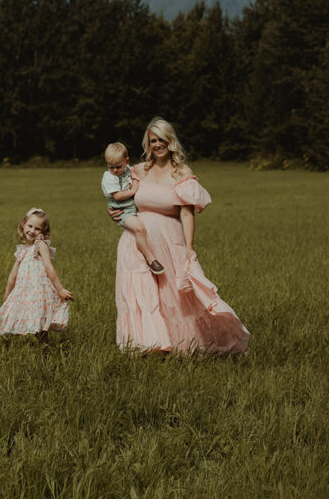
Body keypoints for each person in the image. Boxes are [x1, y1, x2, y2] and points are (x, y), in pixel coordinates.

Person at [109, 117, 250, 354]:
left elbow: (187, 214)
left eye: (162, 139)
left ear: (170, 140)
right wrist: (112, 210)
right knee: (140, 292)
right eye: (153, 140)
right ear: (148, 143)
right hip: (135, 241)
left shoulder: (182, 173)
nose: (158, 144)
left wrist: (189, 247)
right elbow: (119, 199)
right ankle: (147, 345)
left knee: (172, 295)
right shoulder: (138, 171)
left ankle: (177, 344)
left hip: (168, 241)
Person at [0, 207, 73, 343]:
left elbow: (49, 267)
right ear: (23, 225)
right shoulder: (22, 251)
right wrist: (7, 293)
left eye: (37, 229)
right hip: (24, 291)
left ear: (43, 232)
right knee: (17, 319)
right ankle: (12, 346)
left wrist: (60, 289)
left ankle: (45, 350)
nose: (32, 231)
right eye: (30, 226)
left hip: (38, 290)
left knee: (39, 326)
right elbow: (13, 275)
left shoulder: (40, 245)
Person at [101, 141, 165, 276]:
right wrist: (133, 191)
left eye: (118, 166)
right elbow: (117, 196)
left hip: (134, 207)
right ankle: (150, 259)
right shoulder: (109, 177)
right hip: (123, 211)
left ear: (126, 161)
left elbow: (135, 176)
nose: (115, 170)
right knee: (139, 228)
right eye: (110, 167)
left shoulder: (130, 170)